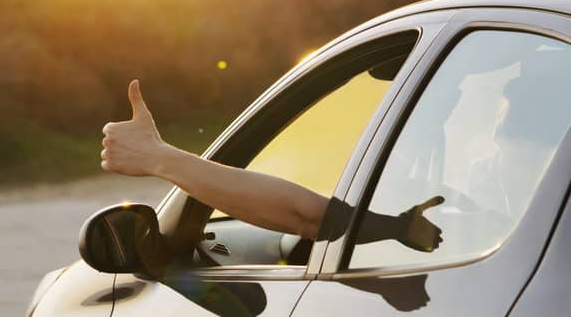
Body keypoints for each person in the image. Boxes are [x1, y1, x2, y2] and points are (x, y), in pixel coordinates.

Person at [101, 79, 442, 251]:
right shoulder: (481, 203)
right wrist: (400, 227)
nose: (499, 106)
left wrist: (158, 157)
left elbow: (307, 216)